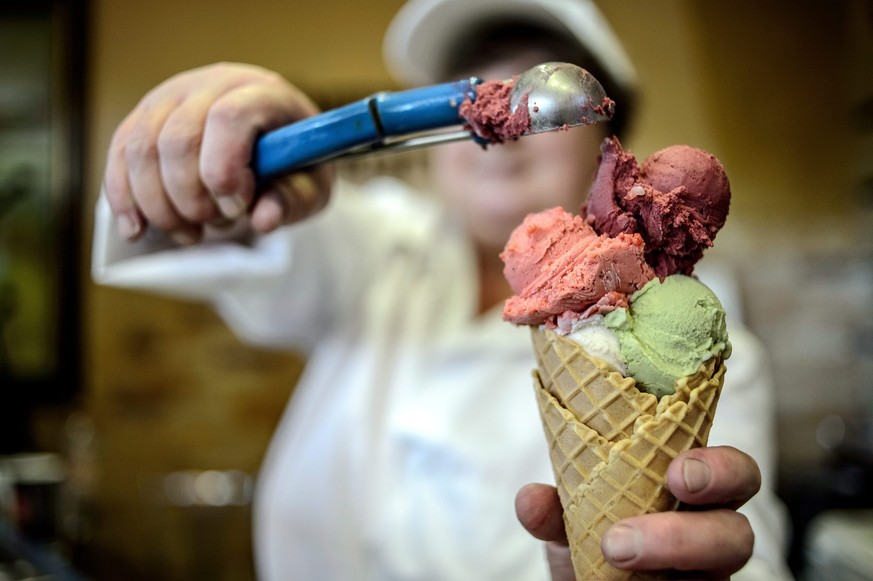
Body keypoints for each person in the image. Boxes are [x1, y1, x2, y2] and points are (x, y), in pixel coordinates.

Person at [92, 0, 792, 579]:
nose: (503, 133)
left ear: (609, 142)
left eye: (540, 100)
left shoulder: (692, 342)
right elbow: (192, 233)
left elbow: (745, 552)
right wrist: (218, 149)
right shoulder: (375, 249)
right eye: (472, 97)